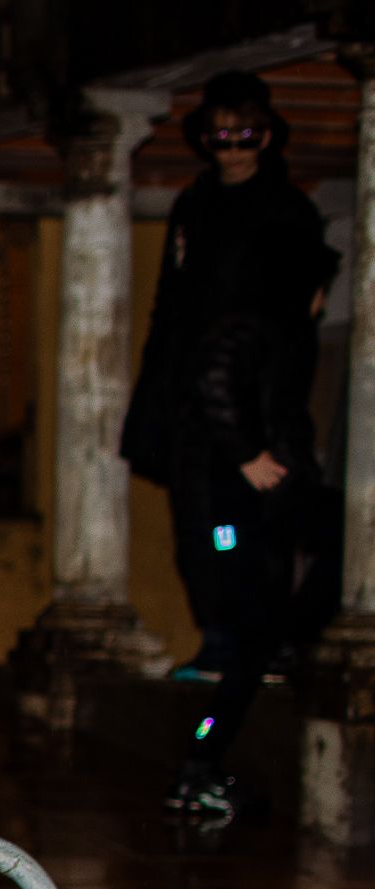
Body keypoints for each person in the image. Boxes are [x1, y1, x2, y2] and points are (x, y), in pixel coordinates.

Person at [121, 69, 343, 821]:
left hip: (256, 458)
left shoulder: (285, 229)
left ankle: (239, 685)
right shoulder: (240, 315)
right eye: (221, 134)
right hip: (224, 459)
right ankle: (216, 719)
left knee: (284, 565)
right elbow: (206, 358)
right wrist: (243, 449)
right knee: (222, 560)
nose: (233, 147)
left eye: (246, 133)